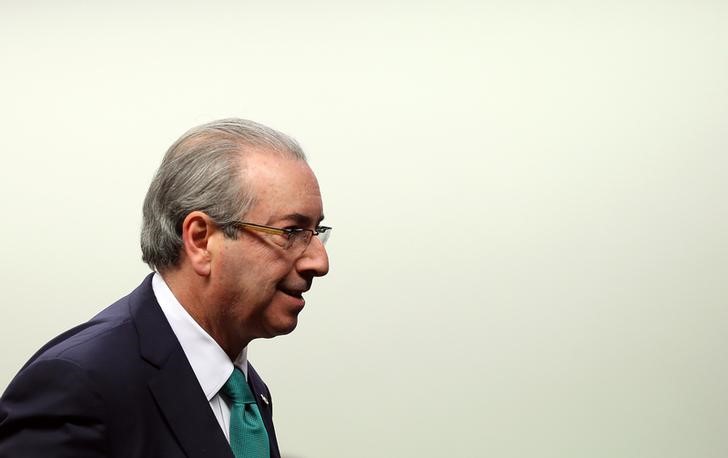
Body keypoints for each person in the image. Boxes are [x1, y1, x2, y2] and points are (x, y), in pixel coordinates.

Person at [0, 118, 330, 458]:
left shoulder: (245, 392)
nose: (320, 262)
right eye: (291, 232)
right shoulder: (78, 386)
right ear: (201, 240)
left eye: (317, 232)